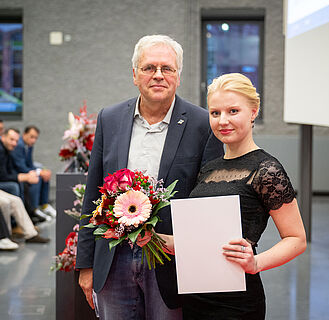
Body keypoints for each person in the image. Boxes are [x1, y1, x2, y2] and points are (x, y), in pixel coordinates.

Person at [76, 34, 224, 320]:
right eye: (149, 68)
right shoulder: (110, 118)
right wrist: (85, 265)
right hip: (114, 257)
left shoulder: (202, 124)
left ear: (178, 76)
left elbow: (207, 202)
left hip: (171, 264)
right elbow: (93, 194)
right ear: (135, 74)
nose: (158, 75)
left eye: (167, 68)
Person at [167, 73, 306, 319]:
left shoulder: (267, 169)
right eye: (215, 113)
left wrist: (257, 263)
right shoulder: (210, 169)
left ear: (253, 112)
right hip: (195, 298)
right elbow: (195, 242)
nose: (223, 121)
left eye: (233, 111)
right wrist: (147, 235)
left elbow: (296, 239)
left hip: (237, 303)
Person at [0, 128, 39, 198]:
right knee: (13, 186)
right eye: (11, 139)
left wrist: (25, 176)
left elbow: (10, 171)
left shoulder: (7, 149)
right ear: (3, 138)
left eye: (16, 141)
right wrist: (26, 177)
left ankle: (29, 208)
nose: (14, 143)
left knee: (19, 182)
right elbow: (2, 177)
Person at [11, 125, 56, 219]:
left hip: (24, 170)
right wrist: (38, 173)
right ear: (24, 134)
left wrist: (41, 171)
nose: (33, 140)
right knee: (37, 177)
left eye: (35, 138)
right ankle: (34, 209)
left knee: (45, 173)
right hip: (16, 173)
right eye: (31, 137)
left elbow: (30, 164)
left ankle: (44, 205)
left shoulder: (29, 146)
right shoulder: (18, 145)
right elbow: (21, 167)